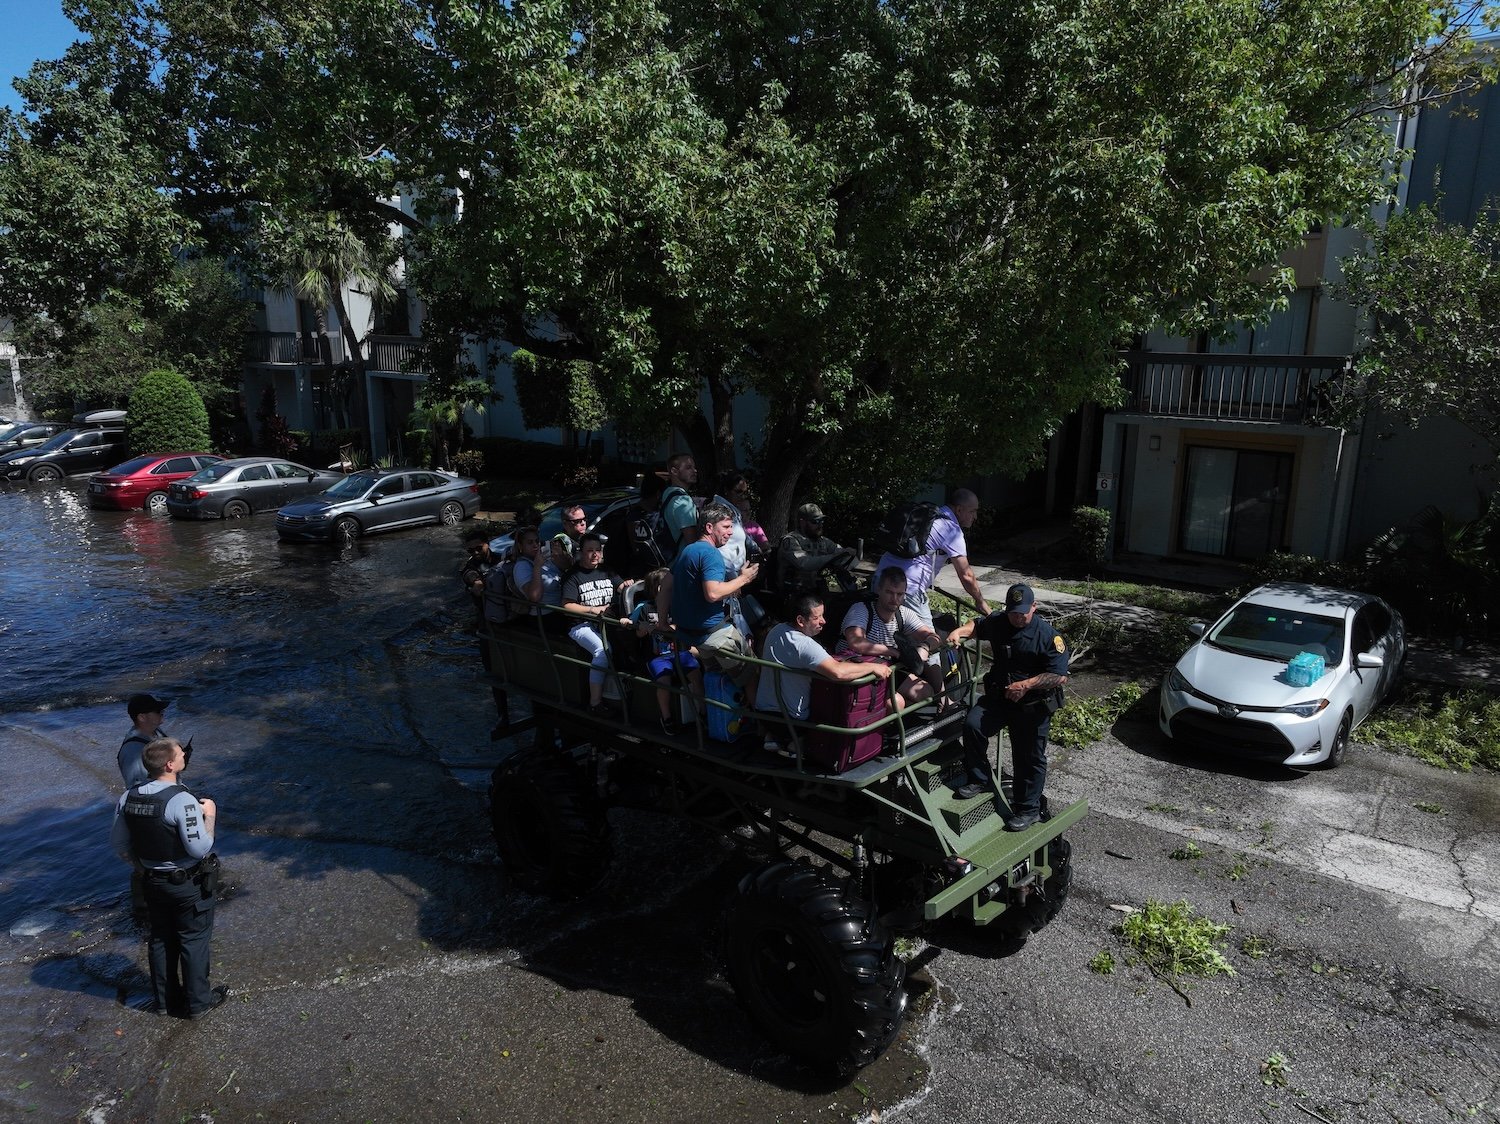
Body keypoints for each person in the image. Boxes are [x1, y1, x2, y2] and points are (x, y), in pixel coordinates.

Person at [110, 737, 227, 1019]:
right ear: (170, 764)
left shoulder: (128, 797)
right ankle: (199, 1003)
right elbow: (199, 848)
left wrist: (143, 868)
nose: (184, 754)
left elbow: (119, 845)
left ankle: (164, 1001)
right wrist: (210, 816)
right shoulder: (181, 800)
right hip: (186, 883)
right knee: (193, 938)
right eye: (180, 753)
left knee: (161, 939)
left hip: (152, 881)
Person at [946, 583, 1069, 829]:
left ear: (1034, 607)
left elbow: (1059, 676)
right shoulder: (1001, 622)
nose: (1018, 617)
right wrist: (960, 631)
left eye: (1023, 612)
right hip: (1000, 698)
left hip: (1032, 707)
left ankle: (1028, 810)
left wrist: (1027, 684)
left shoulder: (1048, 637)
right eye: (1013, 612)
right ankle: (979, 779)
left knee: (1028, 759)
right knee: (973, 725)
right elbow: (978, 626)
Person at [754, 593, 895, 754]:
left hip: (766, 715)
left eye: (822, 615)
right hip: (792, 721)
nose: (824, 621)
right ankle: (799, 745)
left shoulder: (777, 630)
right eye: (817, 618)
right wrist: (872, 667)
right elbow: (838, 672)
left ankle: (776, 738)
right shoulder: (803, 644)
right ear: (800, 620)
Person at [656, 502, 761, 691]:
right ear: (709, 527)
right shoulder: (711, 554)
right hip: (715, 635)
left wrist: (662, 622)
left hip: (695, 636)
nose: (730, 532)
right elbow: (713, 593)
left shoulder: (688, 551)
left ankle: (720, 718)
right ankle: (758, 719)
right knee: (752, 674)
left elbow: (665, 587)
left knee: (717, 680)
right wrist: (744, 579)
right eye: (726, 527)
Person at [876, 488, 992, 627]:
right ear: (959, 510)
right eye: (972, 511)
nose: (975, 517)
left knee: (884, 633)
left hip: (880, 580)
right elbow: (966, 575)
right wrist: (980, 601)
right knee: (927, 640)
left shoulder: (930, 515)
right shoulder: (951, 530)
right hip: (907, 590)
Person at [836, 567, 946, 711]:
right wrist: (893, 652)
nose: (894, 599)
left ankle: (888, 715)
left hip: (886, 670)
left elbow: (934, 637)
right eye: (889, 592)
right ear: (879, 590)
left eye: (900, 594)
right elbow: (856, 643)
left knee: (925, 692)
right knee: (895, 703)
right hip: (858, 670)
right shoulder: (861, 610)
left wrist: (925, 646)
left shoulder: (903, 614)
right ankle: (883, 717)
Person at [561, 532, 631, 715]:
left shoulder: (607, 570)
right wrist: (592, 610)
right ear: (581, 552)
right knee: (603, 650)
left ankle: (622, 695)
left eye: (597, 550)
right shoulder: (573, 576)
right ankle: (595, 703)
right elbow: (567, 605)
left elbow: (621, 587)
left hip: (607, 622)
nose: (594, 555)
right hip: (581, 625)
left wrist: (628, 584)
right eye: (589, 550)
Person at [629, 568, 702, 734]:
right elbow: (637, 632)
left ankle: (702, 711)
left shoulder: (678, 607)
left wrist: (672, 627)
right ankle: (666, 717)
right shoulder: (646, 609)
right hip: (658, 656)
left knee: (696, 675)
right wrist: (647, 628)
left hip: (680, 652)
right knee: (664, 682)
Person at [462, 530, 511, 738]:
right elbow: (472, 579)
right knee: (493, 669)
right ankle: (503, 714)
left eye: (478, 548)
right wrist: (477, 583)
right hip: (486, 623)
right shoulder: (469, 567)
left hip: (509, 621)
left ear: (487, 544)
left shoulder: (502, 560)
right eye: (470, 550)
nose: (475, 553)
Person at [777, 502, 850, 594]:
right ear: (802, 522)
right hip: (796, 593)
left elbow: (840, 552)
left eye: (822, 520)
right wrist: (833, 557)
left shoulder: (822, 541)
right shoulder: (790, 541)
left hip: (818, 589)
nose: (820, 525)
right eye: (815, 521)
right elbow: (804, 563)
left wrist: (847, 553)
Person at [119, 692, 171, 789]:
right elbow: (138, 790)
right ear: (142, 717)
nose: (162, 712)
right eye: (158, 711)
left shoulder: (156, 731)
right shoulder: (132, 751)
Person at [659, 453, 701, 554]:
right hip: (683, 562)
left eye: (694, 467)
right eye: (688, 468)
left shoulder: (668, 493)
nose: (695, 471)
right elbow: (692, 542)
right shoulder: (682, 501)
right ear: (674, 471)